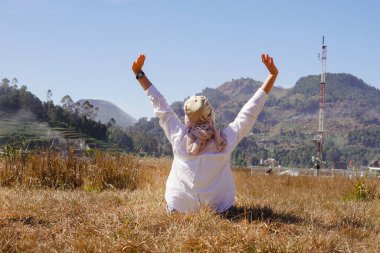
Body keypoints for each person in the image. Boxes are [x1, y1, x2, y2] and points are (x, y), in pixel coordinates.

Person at [132, 53, 278, 213]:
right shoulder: (225, 140)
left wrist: (139, 73)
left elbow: (160, 105)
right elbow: (250, 112)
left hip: (178, 208)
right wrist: (272, 75)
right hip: (219, 210)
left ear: (187, 118)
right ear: (211, 114)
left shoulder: (179, 136)